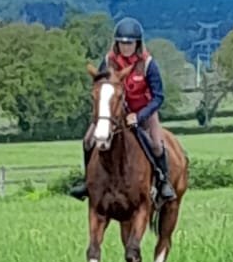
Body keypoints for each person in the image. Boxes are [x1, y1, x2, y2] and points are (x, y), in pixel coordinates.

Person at [70, 18, 178, 204]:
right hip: (113, 113)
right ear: (116, 43)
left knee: (156, 145)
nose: (126, 47)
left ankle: (163, 181)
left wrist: (140, 116)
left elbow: (158, 96)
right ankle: (87, 181)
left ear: (137, 44)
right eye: (122, 43)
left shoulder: (148, 64)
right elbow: (101, 86)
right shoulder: (108, 61)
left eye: (130, 43)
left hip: (143, 110)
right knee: (88, 140)